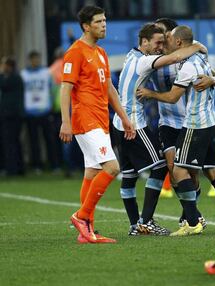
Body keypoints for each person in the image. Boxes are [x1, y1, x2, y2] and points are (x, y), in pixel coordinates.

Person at [138, 25, 215, 236]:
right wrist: (212, 78)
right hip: (211, 122)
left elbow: (173, 97)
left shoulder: (188, 64)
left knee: (179, 169)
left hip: (195, 124)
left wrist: (149, 93)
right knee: (212, 171)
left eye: (168, 38)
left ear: (178, 42)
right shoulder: (200, 58)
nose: (165, 43)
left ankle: (192, 221)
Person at [112, 23, 206, 236]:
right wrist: (197, 46)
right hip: (134, 124)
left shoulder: (131, 55)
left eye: (163, 42)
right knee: (162, 164)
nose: (160, 46)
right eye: (157, 42)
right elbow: (173, 58)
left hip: (119, 123)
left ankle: (135, 225)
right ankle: (146, 222)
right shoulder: (144, 61)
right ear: (144, 42)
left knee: (129, 176)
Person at [60, 5, 136, 244]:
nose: (104, 25)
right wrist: (65, 121)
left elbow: (110, 89)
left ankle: (87, 231)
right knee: (112, 168)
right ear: (86, 26)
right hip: (85, 119)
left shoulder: (101, 52)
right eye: (99, 22)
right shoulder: (75, 52)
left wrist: (124, 118)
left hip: (100, 119)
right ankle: (82, 217)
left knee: (92, 173)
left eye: (105, 21)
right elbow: (66, 88)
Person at [21, 51, 59, 172]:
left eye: (37, 59)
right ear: (30, 60)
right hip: (30, 112)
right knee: (33, 141)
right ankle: (37, 165)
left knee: (50, 139)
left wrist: (52, 105)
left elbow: (52, 90)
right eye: (34, 59)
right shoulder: (23, 74)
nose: (36, 61)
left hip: (45, 110)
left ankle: (54, 165)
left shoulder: (46, 73)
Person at [0, 56, 25, 176]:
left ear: (9, 66)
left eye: (4, 65)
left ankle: (12, 168)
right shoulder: (17, 77)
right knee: (14, 142)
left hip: (12, 116)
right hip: (12, 115)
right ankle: (18, 167)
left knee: (10, 142)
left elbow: (3, 85)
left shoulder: (14, 78)